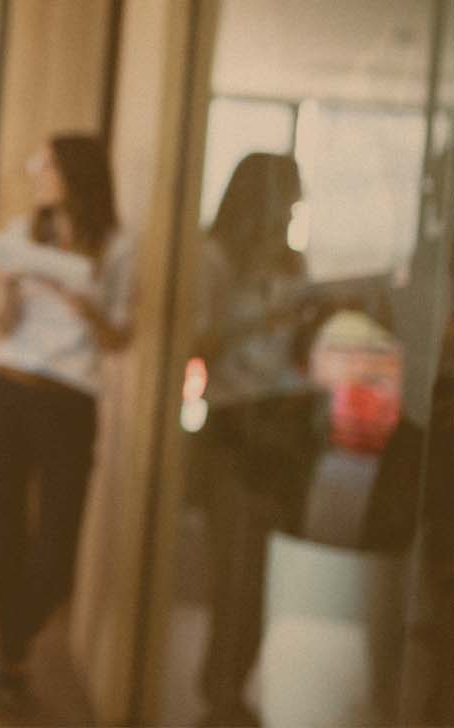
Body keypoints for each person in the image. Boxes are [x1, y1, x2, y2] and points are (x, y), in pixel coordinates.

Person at [0, 134, 134, 719]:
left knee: (57, 554)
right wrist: (10, 288)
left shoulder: (116, 246)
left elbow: (120, 338)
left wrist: (82, 301)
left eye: (48, 165)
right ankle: (10, 667)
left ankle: (12, 649)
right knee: (2, 532)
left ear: (76, 175)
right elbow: (2, 325)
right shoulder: (21, 232)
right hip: (9, 391)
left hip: (70, 402)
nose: (38, 172)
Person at [191, 152, 320, 727]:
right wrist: (259, 321)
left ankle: (234, 688)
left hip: (284, 423)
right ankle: (217, 692)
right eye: (287, 194)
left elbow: (296, 352)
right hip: (233, 423)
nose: (293, 207)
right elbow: (197, 345)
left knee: (263, 573)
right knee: (234, 571)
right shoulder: (214, 258)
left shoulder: (293, 261)